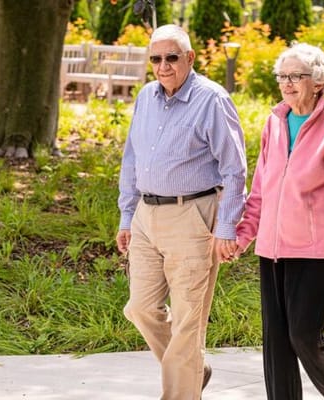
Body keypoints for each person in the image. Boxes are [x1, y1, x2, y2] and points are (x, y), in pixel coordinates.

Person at [116, 24, 247, 400]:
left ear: (189, 58)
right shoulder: (145, 96)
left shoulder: (212, 99)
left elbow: (234, 168)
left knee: (189, 320)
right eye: (155, 58)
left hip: (193, 215)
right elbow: (131, 160)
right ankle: (194, 368)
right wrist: (127, 216)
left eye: (171, 57)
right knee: (140, 308)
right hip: (146, 214)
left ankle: (180, 392)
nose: (163, 65)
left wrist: (226, 227)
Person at [233, 43, 324, 400]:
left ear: (319, 81)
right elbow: (261, 187)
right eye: (282, 76)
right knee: (276, 341)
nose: (287, 83)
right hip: (273, 249)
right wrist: (244, 235)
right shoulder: (274, 122)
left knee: (305, 336)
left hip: (317, 251)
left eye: (296, 76)